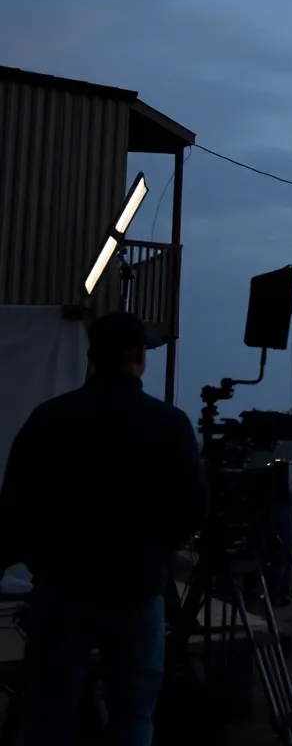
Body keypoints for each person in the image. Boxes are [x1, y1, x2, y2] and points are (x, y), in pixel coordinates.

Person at [0, 311, 210, 746]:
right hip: (135, 589)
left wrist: (42, 561)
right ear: (140, 357)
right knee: (132, 716)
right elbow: (194, 507)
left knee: (49, 717)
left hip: (61, 588)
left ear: (93, 356)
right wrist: (153, 552)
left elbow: (15, 506)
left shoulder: (49, 418)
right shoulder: (168, 423)